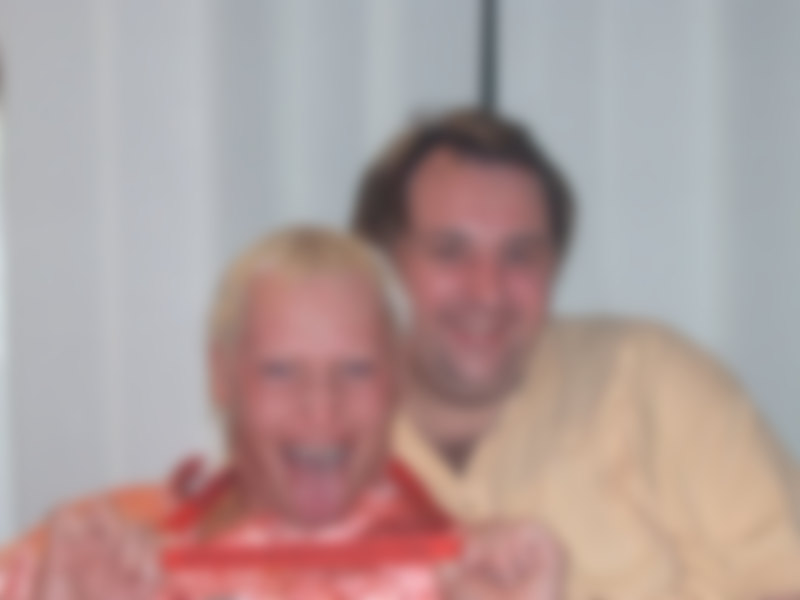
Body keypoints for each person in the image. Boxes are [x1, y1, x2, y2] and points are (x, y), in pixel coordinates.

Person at [352, 109, 800, 600]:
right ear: (380, 265)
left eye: (519, 255)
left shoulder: (652, 382)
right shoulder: (313, 439)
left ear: (555, 266)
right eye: (451, 251)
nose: (487, 290)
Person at [0, 228, 562, 600]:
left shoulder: (478, 574)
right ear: (221, 375)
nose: (321, 406)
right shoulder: (95, 551)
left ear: (396, 378)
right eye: (280, 371)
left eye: (356, 370)